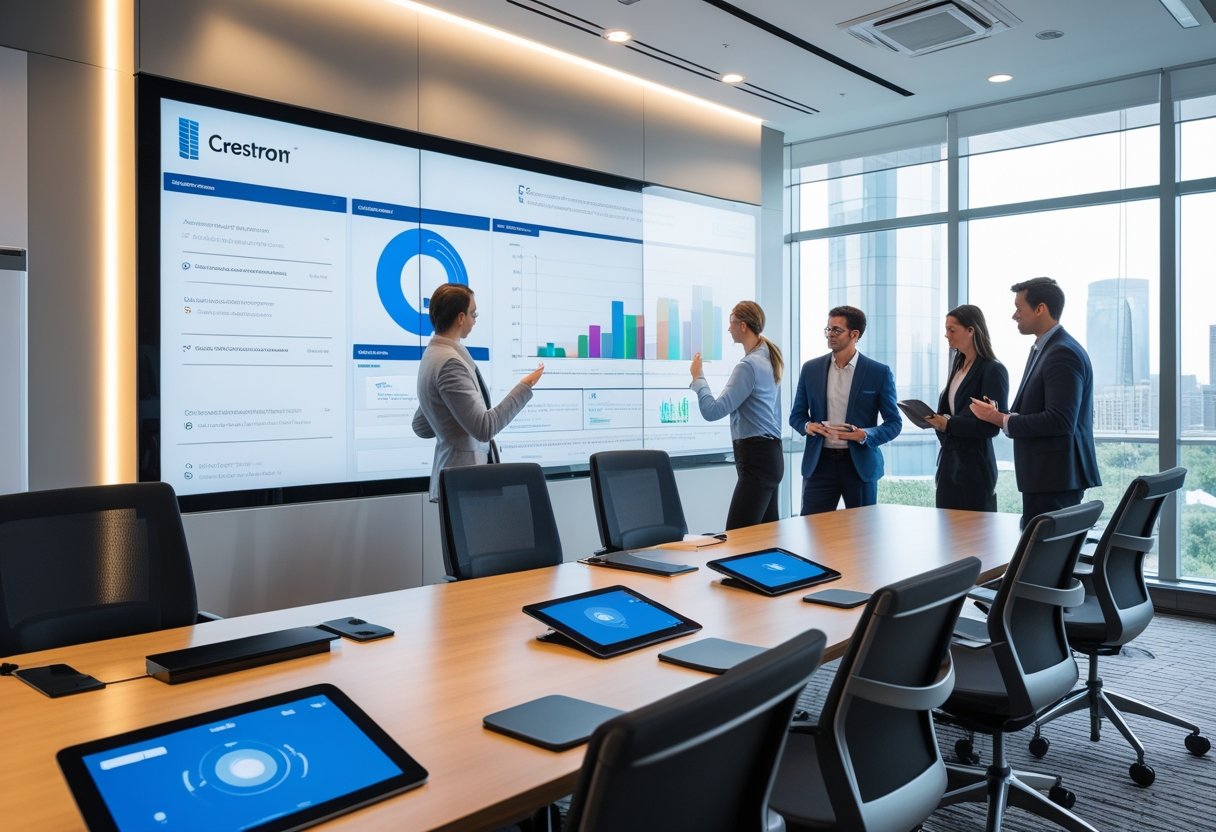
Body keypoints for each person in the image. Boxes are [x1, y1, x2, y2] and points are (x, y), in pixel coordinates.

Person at [969, 276, 1100, 528]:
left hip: (1054, 478)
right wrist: (1003, 415)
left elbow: (1060, 421)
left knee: (1047, 561)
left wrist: (1000, 419)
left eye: (1019, 308)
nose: (1014, 315)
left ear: (1040, 309)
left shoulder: (1062, 352)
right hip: (1048, 477)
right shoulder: (1047, 348)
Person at [412, 283, 543, 501]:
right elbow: (484, 428)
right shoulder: (449, 364)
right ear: (461, 318)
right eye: (474, 314)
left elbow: (421, 425)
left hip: (459, 480)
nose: (475, 320)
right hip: (464, 482)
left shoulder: (433, 356)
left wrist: (445, 421)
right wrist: (525, 386)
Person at [789, 305, 902, 515]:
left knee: (862, 535)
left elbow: (894, 423)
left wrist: (865, 434)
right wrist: (808, 426)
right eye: (828, 329)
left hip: (858, 466)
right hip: (819, 464)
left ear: (854, 334)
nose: (830, 335)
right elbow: (796, 416)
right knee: (811, 531)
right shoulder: (810, 369)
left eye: (836, 330)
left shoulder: (878, 372)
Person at [689, 300, 784, 530]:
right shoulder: (768, 358)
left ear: (743, 326)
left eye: (731, 322)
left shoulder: (748, 366)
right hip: (771, 456)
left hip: (757, 459)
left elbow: (712, 411)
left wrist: (698, 376)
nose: (728, 328)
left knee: (738, 538)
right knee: (765, 538)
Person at [924, 305, 1009, 512]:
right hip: (948, 465)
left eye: (952, 330)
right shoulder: (958, 364)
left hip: (975, 469)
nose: (946, 335)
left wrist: (949, 424)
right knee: (946, 533)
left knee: (975, 537)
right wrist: (939, 423)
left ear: (971, 330)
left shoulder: (993, 370)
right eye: (946, 329)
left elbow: (991, 426)